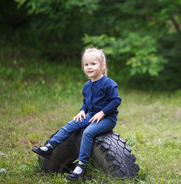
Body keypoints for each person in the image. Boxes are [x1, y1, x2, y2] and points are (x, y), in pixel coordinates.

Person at [32, 48, 121, 181]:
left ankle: (81, 165)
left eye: (93, 64)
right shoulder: (87, 86)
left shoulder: (108, 83)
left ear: (102, 66)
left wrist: (102, 113)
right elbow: (86, 102)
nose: (89, 67)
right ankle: (50, 147)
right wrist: (81, 111)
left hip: (107, 118)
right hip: (91, 115)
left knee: (88, 133)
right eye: (86, 64)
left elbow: (116, 100)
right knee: (71, 125)